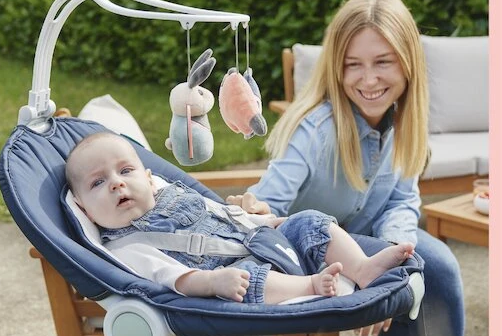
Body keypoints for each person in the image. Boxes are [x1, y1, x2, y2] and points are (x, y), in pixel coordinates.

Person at [229, 0, 464, 336]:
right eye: (353, 64)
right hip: (313, 257)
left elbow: (402, 202)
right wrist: (255, 206)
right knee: (436, 269)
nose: (368, 79)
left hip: (368, 246)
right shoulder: (315, 128)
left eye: (382, 62)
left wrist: (394, 253)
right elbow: (270, 201)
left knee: (427, 269)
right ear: (336, 67)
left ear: (408, 63)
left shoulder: (405, 121)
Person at [64, 131, 415, 305]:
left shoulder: (173, 195)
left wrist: (270, 223)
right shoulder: (128, 246)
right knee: (248, 280)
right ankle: (310, 287)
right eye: (98, 183)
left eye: (126, 171)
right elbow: (175, 278)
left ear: (148, 177)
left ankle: (362, 267)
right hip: (236, 274)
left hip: (264, 240)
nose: (117, 183)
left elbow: (225, 215)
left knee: (311, 221)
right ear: (82, 208)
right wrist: (213, 283)